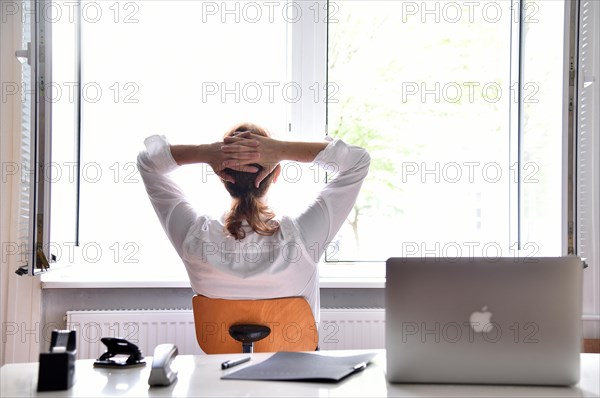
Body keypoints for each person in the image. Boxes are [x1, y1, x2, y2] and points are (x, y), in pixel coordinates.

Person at [137, 123, 370, 323]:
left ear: (221, 175)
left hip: (220, 373)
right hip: (297, 373)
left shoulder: (194, 239)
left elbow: (148, 162)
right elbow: (358, 161)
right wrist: (283, 149)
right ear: (276, 174)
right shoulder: (301, 240)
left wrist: (205, 152)